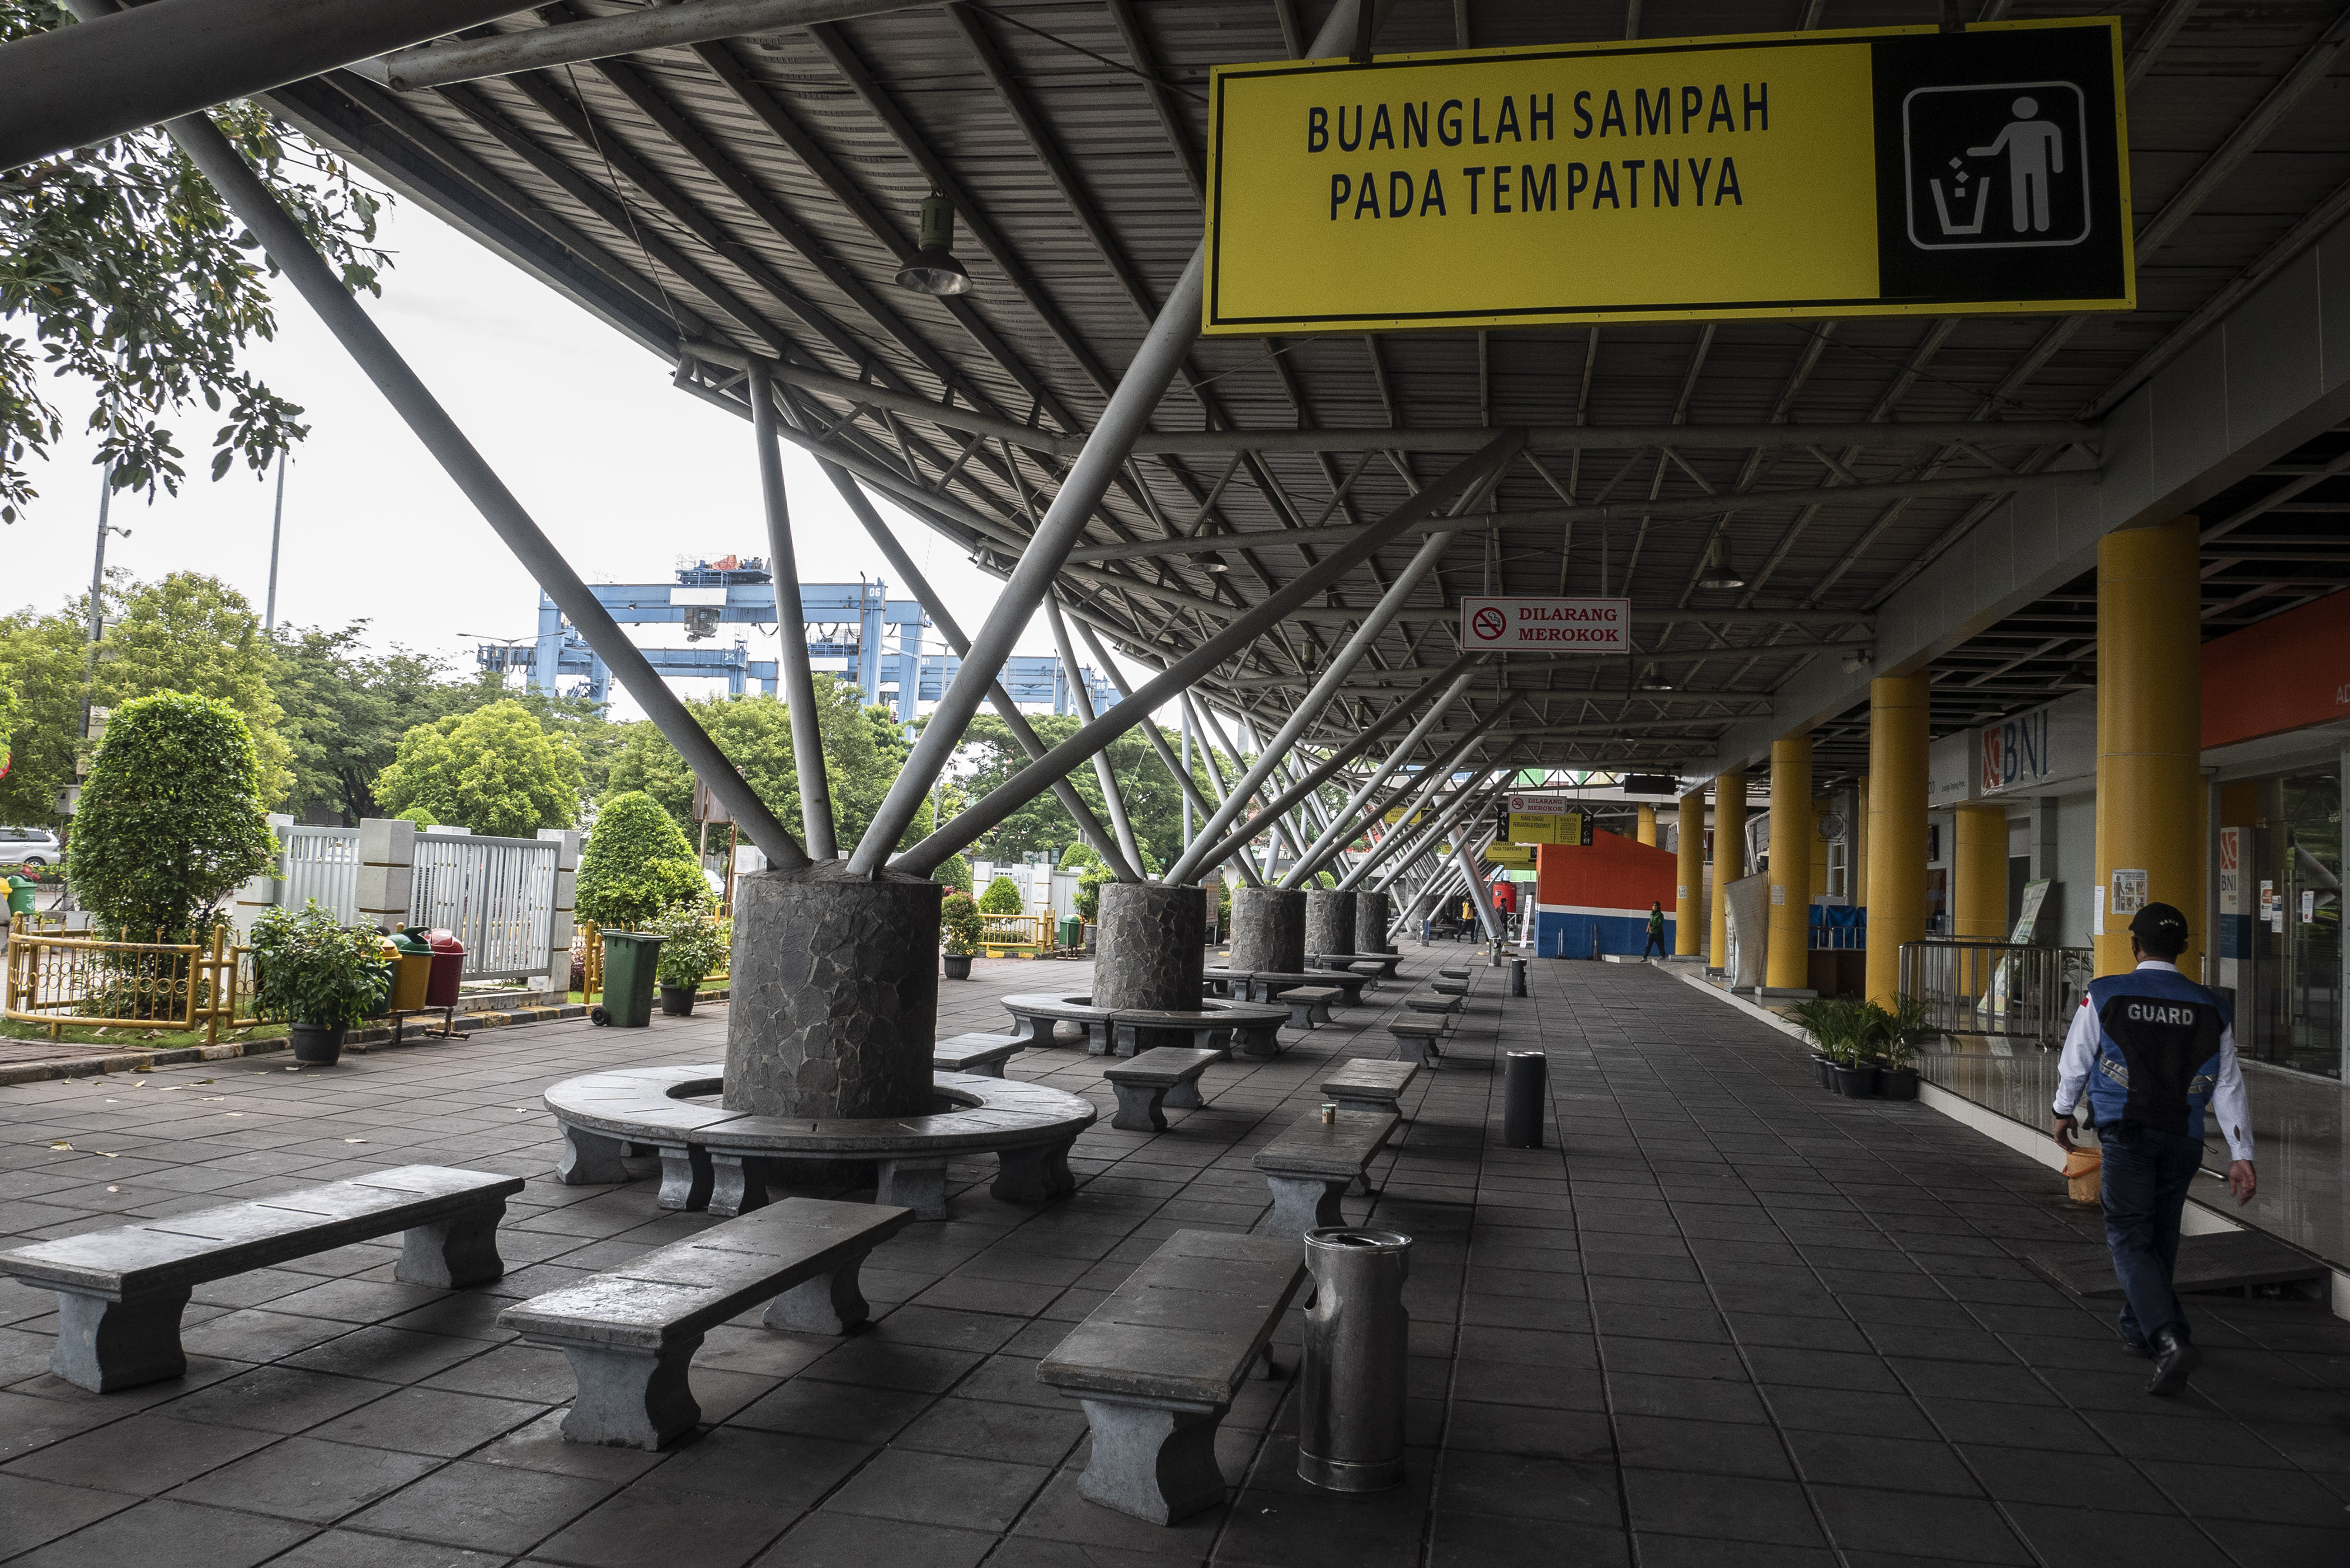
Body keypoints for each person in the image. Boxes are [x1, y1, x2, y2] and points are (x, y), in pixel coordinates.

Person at [2053, 903, 2257, 1396]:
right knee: (2161, 1234)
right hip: (2183, 1136)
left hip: (2128, 1132)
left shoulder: (2105, 992)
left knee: (2127, 1233)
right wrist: (2241, 1152)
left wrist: (2063, 1110)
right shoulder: (2213, 1005)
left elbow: (2077, 1059)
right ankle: (2139, 1329)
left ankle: (2169, 1337)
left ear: (2133, 944)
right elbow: (2229, 1085)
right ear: (2184, 948)